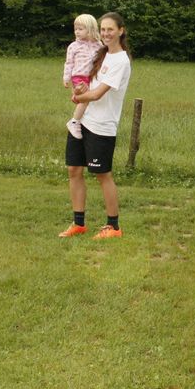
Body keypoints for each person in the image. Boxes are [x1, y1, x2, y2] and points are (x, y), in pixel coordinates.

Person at [58, 12, 132, 240]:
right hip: (82, 121)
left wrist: (79, 97)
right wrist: (80, 89)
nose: (106, 33)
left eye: (110, 29)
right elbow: (89, 83)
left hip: (102, 126)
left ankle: (113, 227)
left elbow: (98, 94)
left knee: (102, 175)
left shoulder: (121, 61)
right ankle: (78, 223)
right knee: (74, 170)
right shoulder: (100, 53)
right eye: (103, 29)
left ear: (121, 31)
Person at [62, 13, 102, 139]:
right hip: (78, 77)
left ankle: (77, 101)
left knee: (91, 99)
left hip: (92, 77)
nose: (77, 32)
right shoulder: (73, 46)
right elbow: (69, 63)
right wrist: (66, 78)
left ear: (90, 29)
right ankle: (74, 122)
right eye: (75, 29)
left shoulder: (99, 45)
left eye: (80, 29)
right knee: (85, 100)